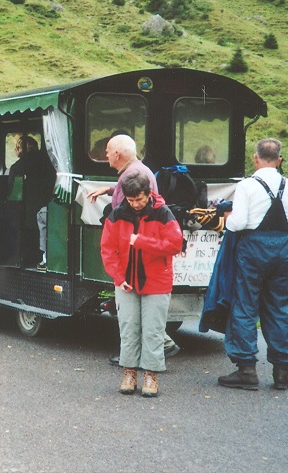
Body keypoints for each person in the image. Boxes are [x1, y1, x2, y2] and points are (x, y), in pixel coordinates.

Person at [218, 138, 288, 391]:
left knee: (245, 305)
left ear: (255, 158)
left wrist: (228, 218)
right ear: (279, 160)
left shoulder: (248, 185)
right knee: (279, 307)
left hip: (254, 250)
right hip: (283, 251)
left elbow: (237, 224)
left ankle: (246, 370)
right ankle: (282, 372)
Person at [85, 134, 180, 362]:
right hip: (139, 253)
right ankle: (147, 351)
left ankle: (137, 358)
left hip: (135, 253)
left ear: (117, 154)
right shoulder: (137, 170)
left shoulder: (133, 174)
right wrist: (109, 190)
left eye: (108, 151)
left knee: (133, 311)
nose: (106, 155)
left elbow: (127, 212)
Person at [101, 172, 184, 397]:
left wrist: (142, 242)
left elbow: (175, 244)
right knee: (128, 329)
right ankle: (129, 372)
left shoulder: (164, 213)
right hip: (126, 282)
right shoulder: (117, 215)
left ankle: (151, 374)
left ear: (149, 193)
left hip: (157, 281)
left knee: (153, 331)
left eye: (139, 199)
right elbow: (107, 250)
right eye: (131, 200)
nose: (136, 204)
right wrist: (118, 278)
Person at [7, 135, 56, 270]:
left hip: (25, 210)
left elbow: (10, 190)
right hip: (46, 204)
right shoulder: (50, 163)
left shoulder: (17, 167)